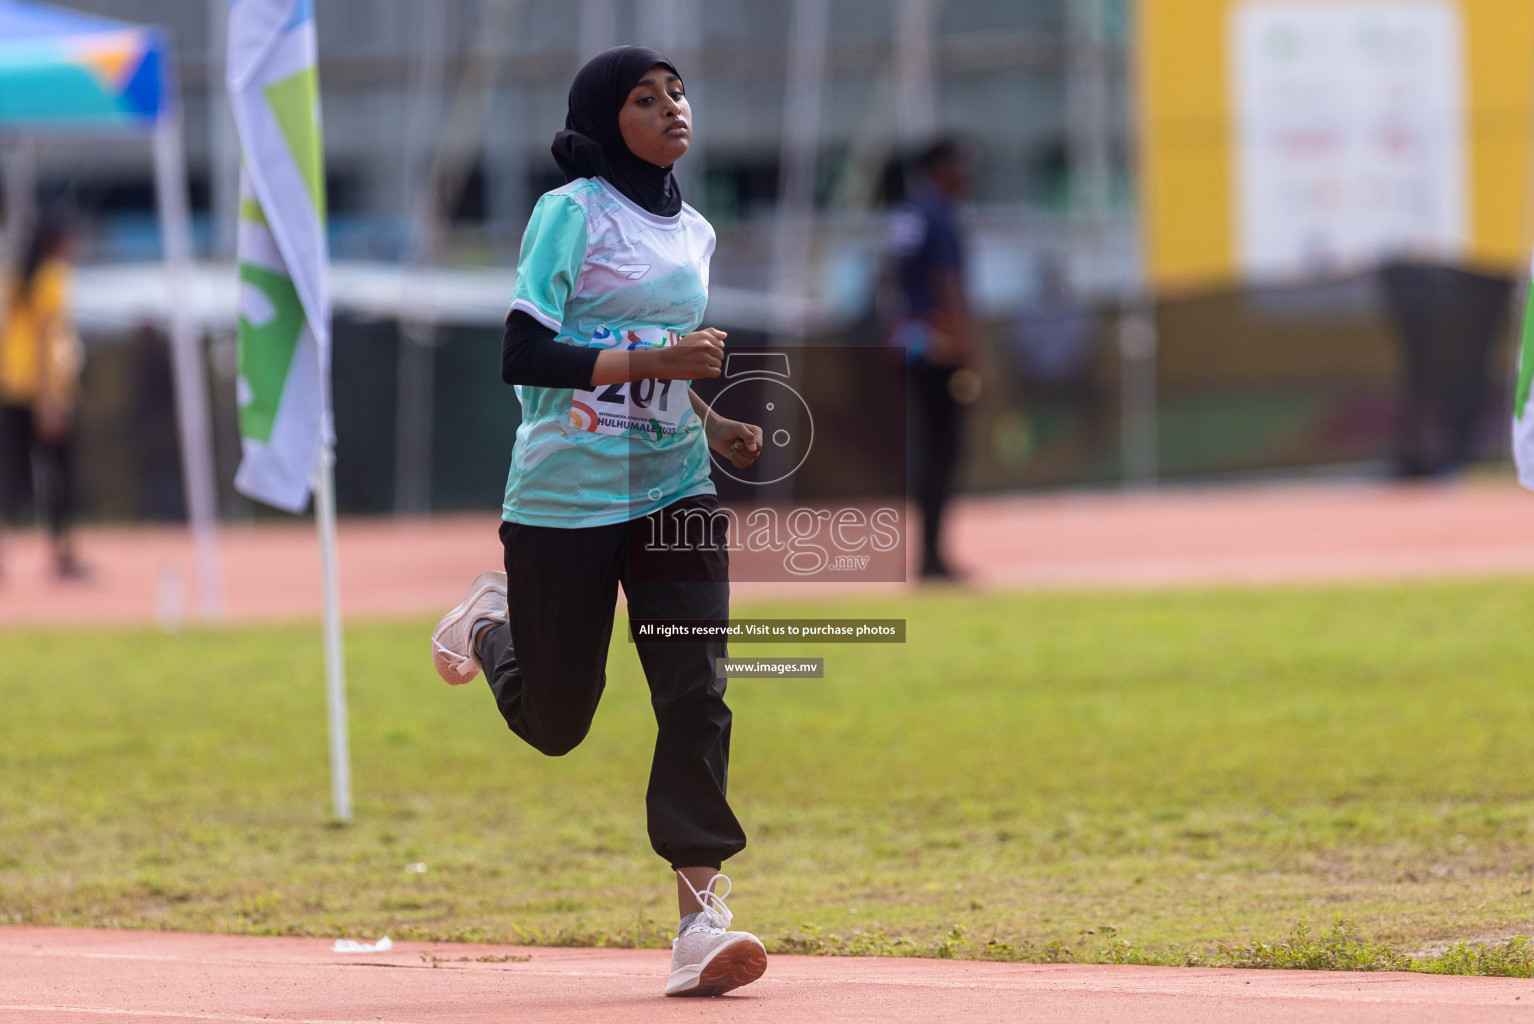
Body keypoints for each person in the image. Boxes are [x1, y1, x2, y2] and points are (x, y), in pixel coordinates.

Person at [429, 46, 768, 998]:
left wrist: (714, 416)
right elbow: (523, 348)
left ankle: (700, 921)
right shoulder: (570, 211)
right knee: (556, 721)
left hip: (675, 489)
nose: (672, 108)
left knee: (695, 690)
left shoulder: (695, 230)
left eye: (677, 93)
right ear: (601, 120)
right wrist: (652, 368)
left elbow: (660, 351)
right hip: (564, 499)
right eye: (644, 98)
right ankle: (489, 623)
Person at [885, 137, 978, 580]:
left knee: (926, 448)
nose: (967, 173)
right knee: (943, 450)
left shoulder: (907, 213)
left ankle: (929, 554)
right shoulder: (939, 214)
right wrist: (969, 347)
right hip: (940, 345)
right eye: (961, 163)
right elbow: (948, 282)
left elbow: (887, 277)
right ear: (940, 167)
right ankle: (933, 557)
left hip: (910, 340)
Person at [0, 214, 86, 581]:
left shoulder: (14, 278)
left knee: (10, 475)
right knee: (57, 472)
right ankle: (60, 552)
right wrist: (49, 398)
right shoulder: (52, 277)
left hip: (10, 387)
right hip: (39, 389)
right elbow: (42, 337)